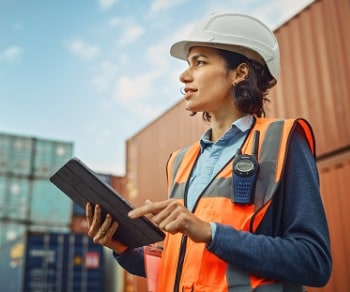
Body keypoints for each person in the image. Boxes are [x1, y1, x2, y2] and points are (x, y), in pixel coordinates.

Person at [86, 12, 332, 291]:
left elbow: (314, 261)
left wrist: (210, 232)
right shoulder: (180, 161)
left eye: (199, 62)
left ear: (239, 73)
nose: (183, 74)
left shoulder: (283, 141)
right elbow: (185, 266)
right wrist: (124, 250)